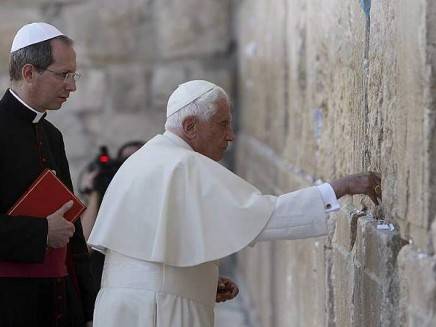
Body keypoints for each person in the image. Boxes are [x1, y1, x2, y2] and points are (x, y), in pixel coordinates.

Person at [88, 80, 382, 327]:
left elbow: (155, 251)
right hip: (159, 311)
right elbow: (262, 216)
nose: (230, 135)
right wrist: (339, 188)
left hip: (124, 308)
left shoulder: (147, 157)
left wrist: (200, 280)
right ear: (190, 126)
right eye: (222, 124)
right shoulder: (183, 164)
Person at [0, 22, 96, 327]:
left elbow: (72, 231)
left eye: (73, 75)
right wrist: (41, 232)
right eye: (63, 75)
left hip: (60, 302)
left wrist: (88, 307)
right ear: (29, 73)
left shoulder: (51, 135)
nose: (72, 86)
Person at [80, 141, 144, 289]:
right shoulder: (106, 194)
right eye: (124, 161)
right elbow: (84, 246)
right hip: (103, 282)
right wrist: (96, 191)